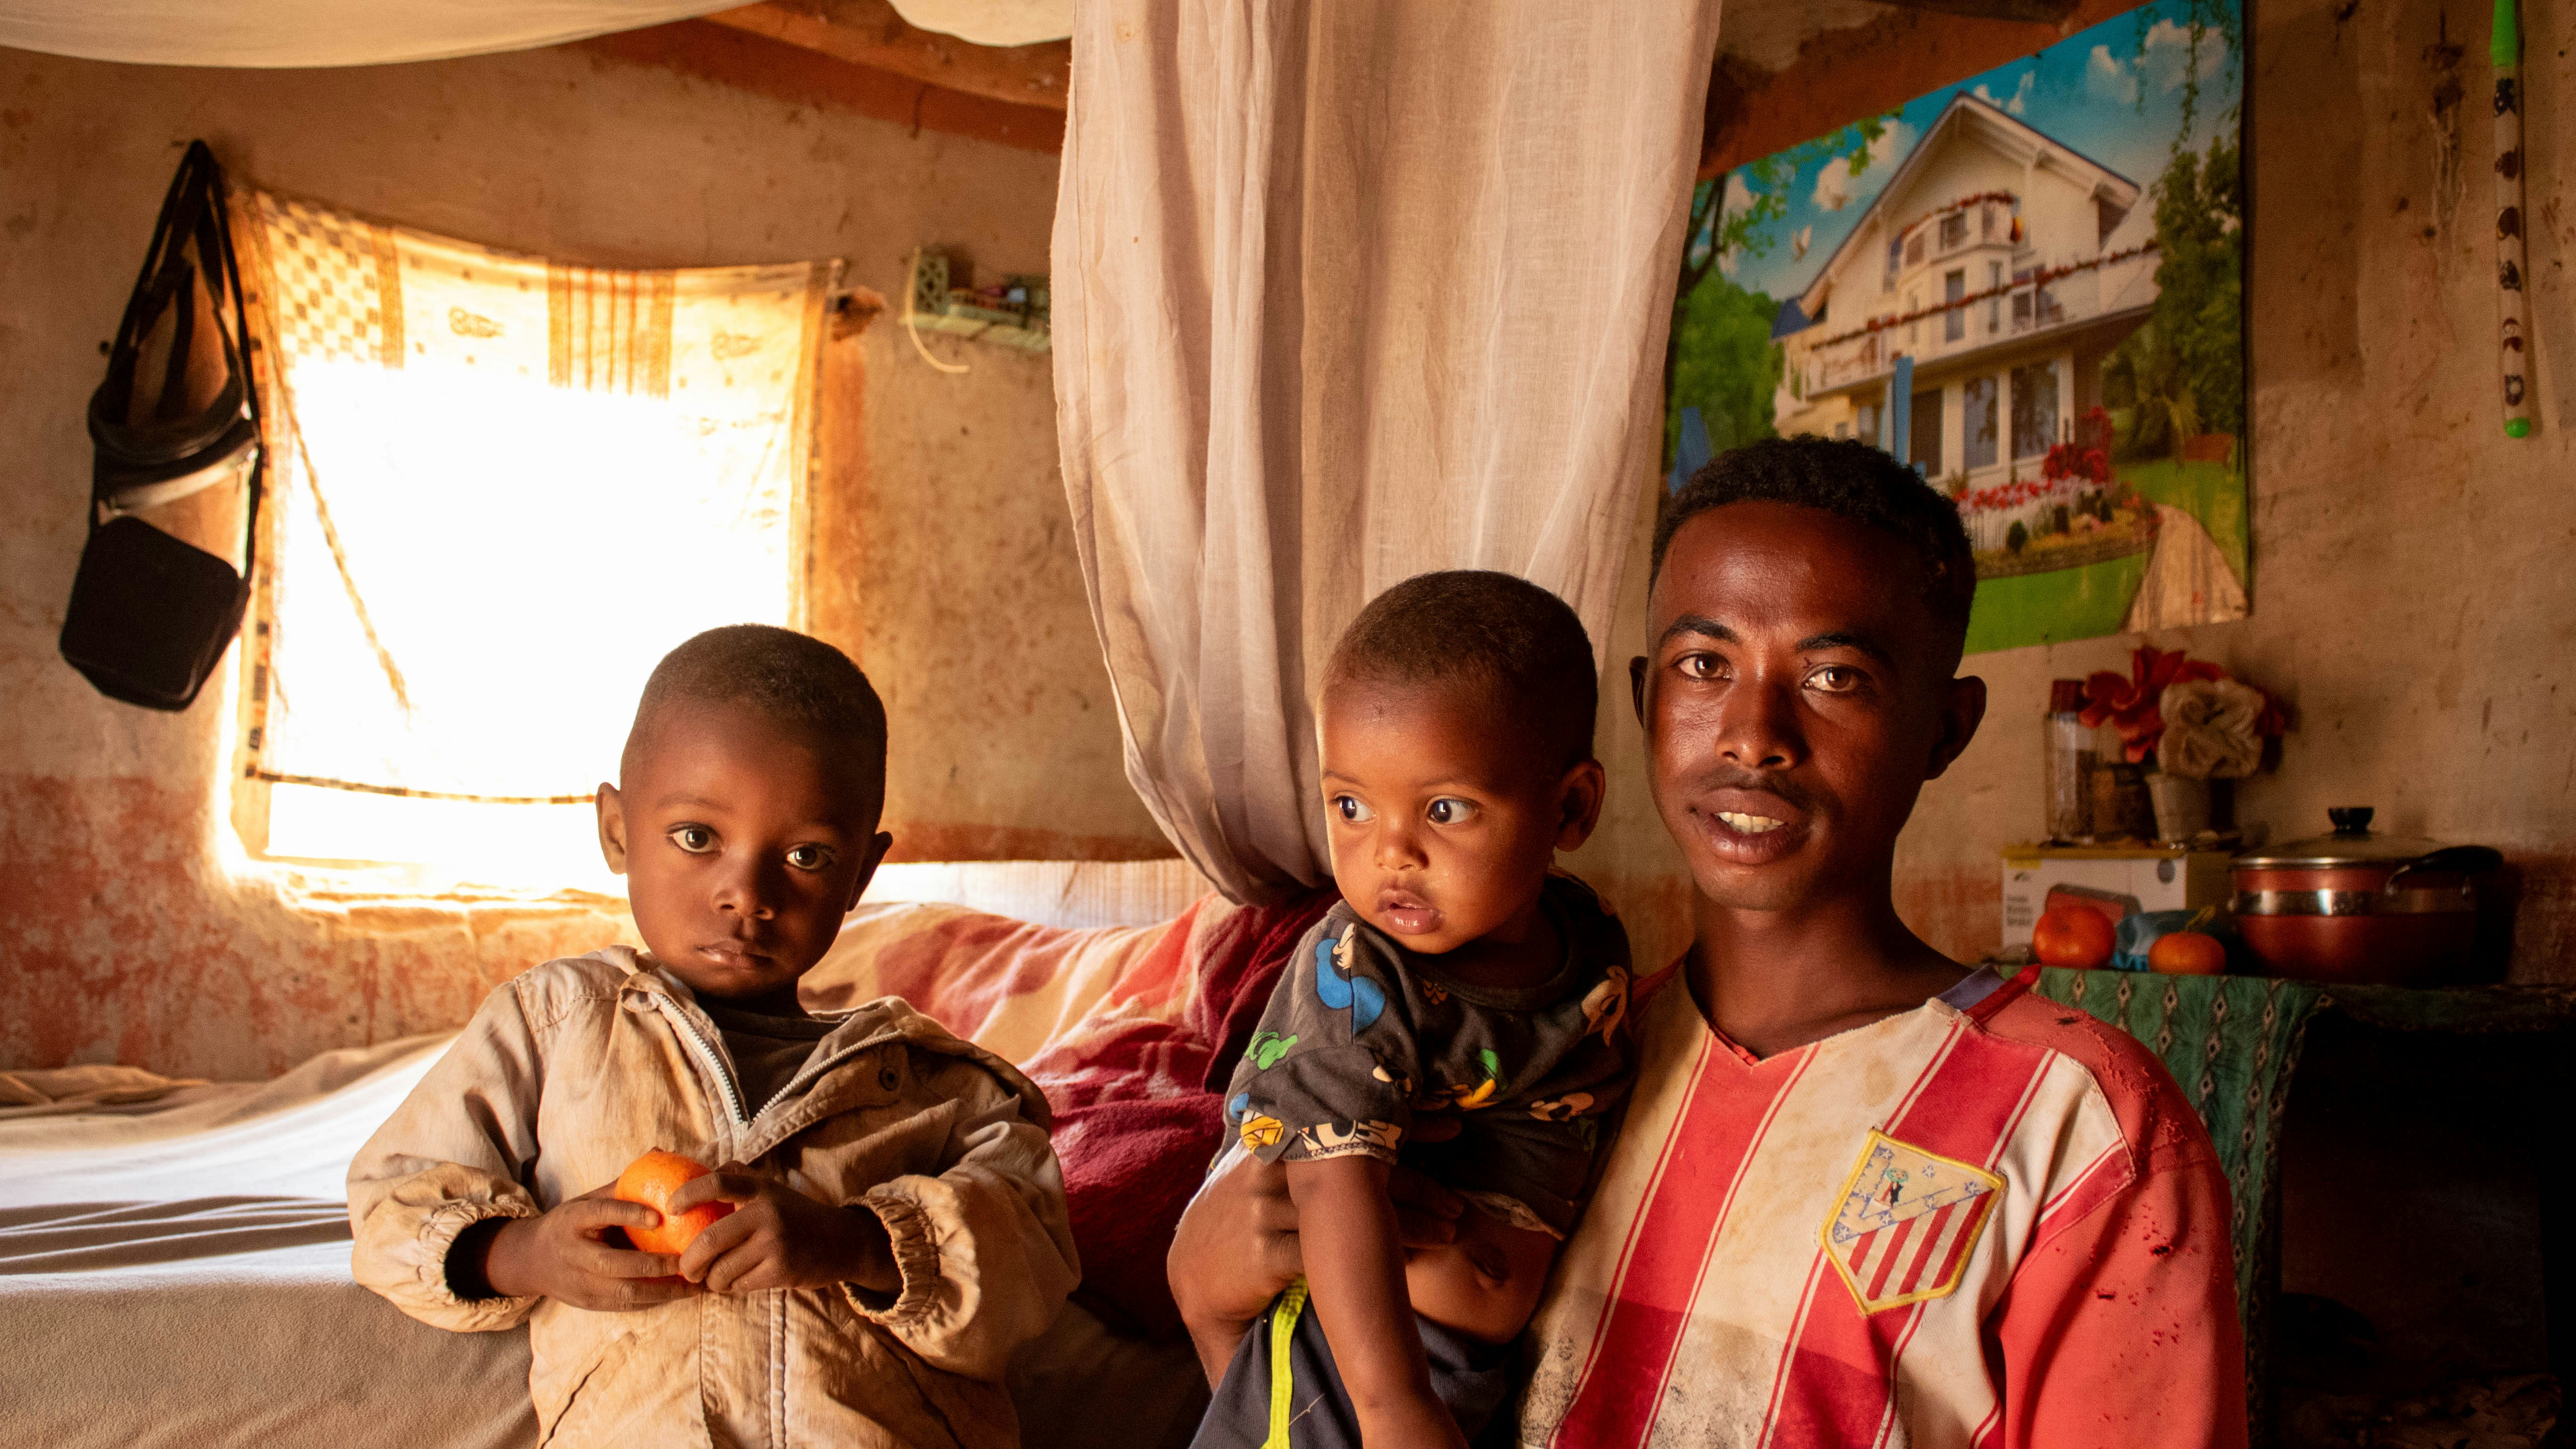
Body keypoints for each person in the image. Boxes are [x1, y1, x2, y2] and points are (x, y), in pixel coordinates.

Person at [1170, 438, 2248, 1448]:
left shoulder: (2079, 1128)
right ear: (1642, 704)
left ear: (1945, 729)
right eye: (1702, 666)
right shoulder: (1549, 1067)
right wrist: (1209, 1286)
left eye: (1836, 678)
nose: (1753, 735)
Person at [348, 625, 1078, 1449]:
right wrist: (524, 1254)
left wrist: (851, 1241)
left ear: (862, 876)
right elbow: (393, 1198)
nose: (748, 893)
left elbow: (1032, 1263)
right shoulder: (555, 1023)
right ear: (617, 830)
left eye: (807, 855)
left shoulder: (938, 1086)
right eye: (697, 837)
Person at [1188, 572, 1637, 1449]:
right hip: (1353, 1354)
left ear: (1572, 806)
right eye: (1350, 805)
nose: (1391, 853)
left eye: (1445, 809)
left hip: (1473, 1368)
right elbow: (1330, 1181)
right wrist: (1397, 1409)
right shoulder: (1360, 967)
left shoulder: (1591, 939)